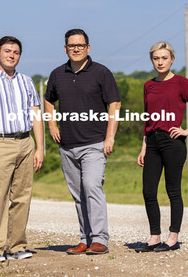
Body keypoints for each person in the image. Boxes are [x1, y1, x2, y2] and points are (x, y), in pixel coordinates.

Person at [44, 29, 121, 255]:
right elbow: (48, 101)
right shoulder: (57, 74)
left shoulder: (101, 72)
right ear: (65, 49)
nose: (75, 48)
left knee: (92, 186)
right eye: (71, 45)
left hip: (94, 143)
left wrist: (110, 136)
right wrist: (52, 125)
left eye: (80, 45)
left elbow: (114, 104)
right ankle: (85, 239)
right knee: (78, 194)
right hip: (67, 145)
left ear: (88, 48)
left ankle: (99, 239)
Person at [0, 36, 44, 264]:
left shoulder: (27, 81)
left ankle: (17, 246)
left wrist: (40, 148)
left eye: (15, 52)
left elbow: (36, 115)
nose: (11, 55)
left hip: (25, 142)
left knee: (22, 197)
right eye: (6, 51)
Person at [135, 41, 188, 252]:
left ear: (172, 59)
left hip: (172, 142)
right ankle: (154, 237)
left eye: (164, 58)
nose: (160, 62)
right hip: (151, 142)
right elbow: (147, 118)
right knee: (148, 191)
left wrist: (187, 130)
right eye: (156, 58)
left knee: (172, 191)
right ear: (152, 60)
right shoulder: (148, 85)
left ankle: (173, 238)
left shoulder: (180, 83)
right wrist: (143, 146)